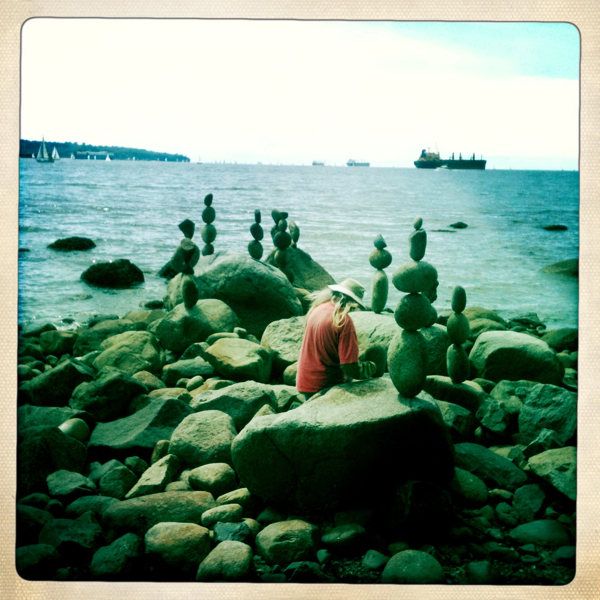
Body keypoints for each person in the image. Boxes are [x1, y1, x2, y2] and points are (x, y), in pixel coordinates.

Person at [296, 278, 377, 397]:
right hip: (325, 385)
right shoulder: (342, 320)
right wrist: (372, 367)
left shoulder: (317, 309)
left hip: (304, 382)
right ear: (351, 302)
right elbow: (349, 368)